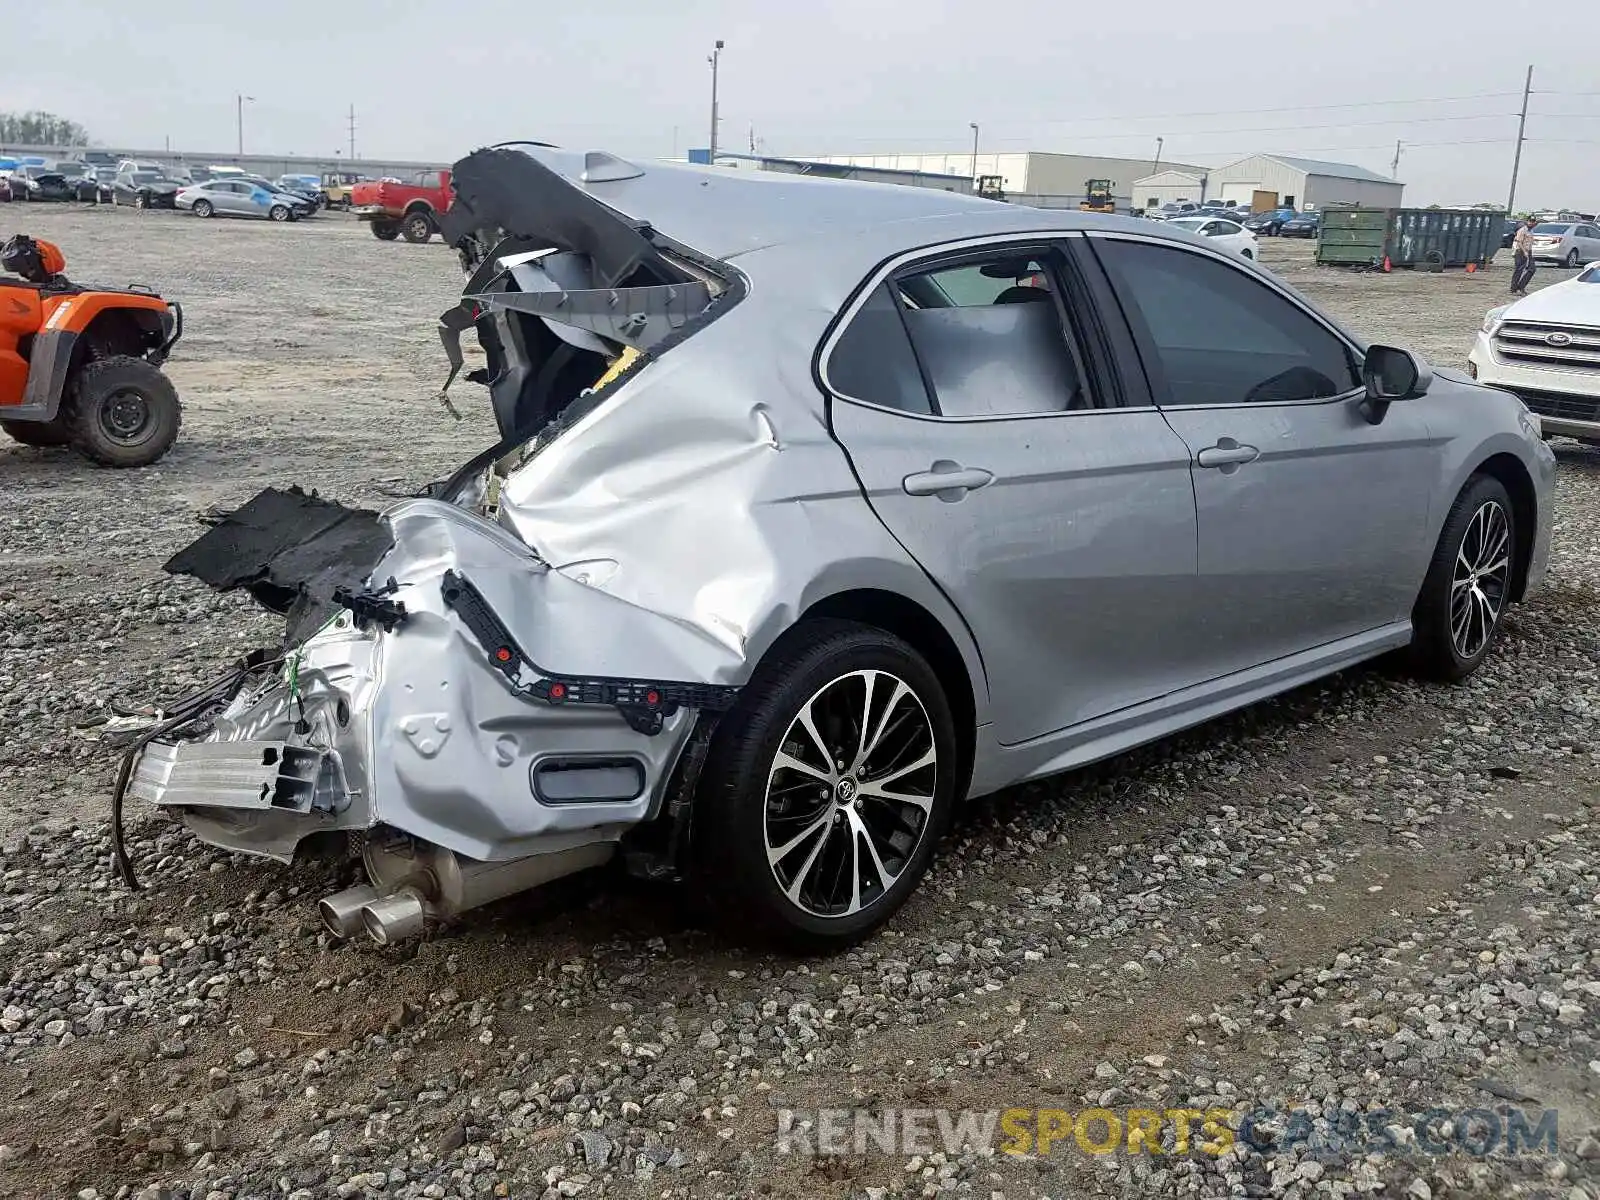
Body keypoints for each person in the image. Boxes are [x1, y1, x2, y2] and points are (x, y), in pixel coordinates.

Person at [1511, 217, 1538, 296]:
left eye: (1533, 222)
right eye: (1530, 221)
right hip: (1520, 251)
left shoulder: (1531, 231)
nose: (1531, 223)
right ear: (1527, 221)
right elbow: (1519, 242)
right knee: (1518, 270)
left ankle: (1521, 286)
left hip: (1528, 251)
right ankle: (1513, 289)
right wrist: (1524, 252)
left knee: (1532, 269)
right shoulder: (1522, 230)